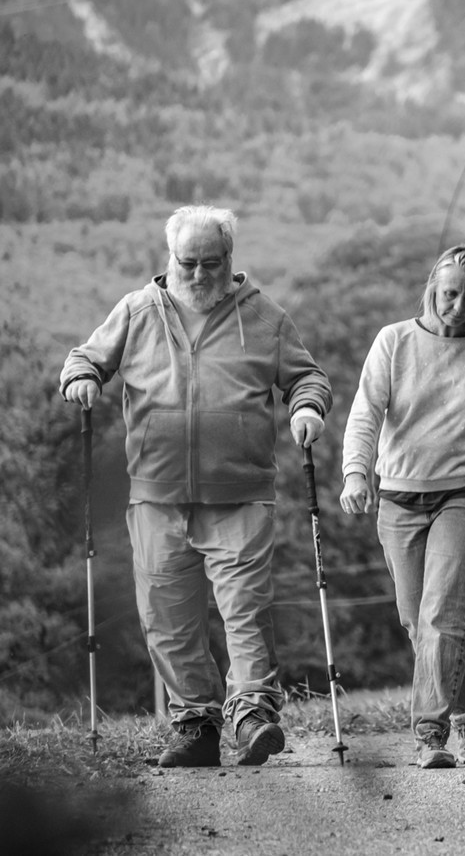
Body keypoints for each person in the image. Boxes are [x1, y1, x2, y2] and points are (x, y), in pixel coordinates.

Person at [59, 205, 331, 768]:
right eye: (190, 263)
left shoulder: (265, 317)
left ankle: (253, 713)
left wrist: (308, 407)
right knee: (167, 615)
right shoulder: (137, 312)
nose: (201, 274)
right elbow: (86, 358)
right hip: (156, 495)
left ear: (231, 258)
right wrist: (82, 378)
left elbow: (306, 376)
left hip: (240, 493)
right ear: (170, 258)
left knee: (245, 609)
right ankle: (196, 725)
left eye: (213, 262)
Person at [339, 245, 465, 768]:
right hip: (401, 496)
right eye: (449, 293)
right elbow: (366, 410)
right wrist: (355, 471)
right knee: (417, 619)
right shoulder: (394, 340)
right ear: (432, 290)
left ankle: (430, 735)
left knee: (443, 615)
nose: (458, 306)